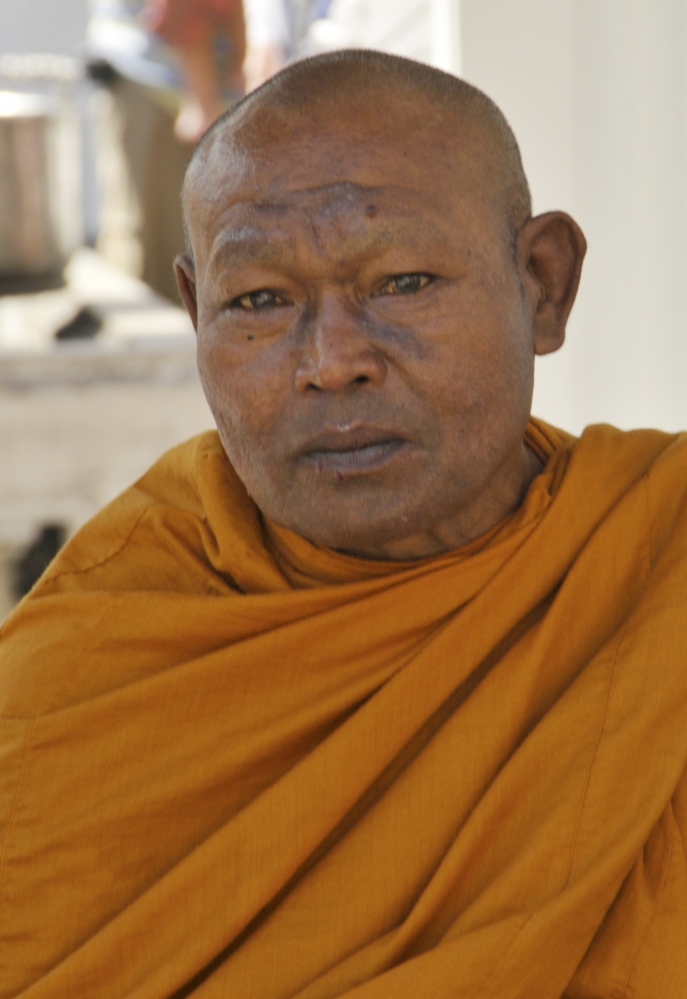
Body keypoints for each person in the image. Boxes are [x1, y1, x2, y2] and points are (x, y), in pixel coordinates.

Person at [1, 50, 686, 999]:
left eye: (401, 281)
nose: (330, 362)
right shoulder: (94, 663)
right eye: (259, 301)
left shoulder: (659, 560)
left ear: (541, 284)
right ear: (195, 312)